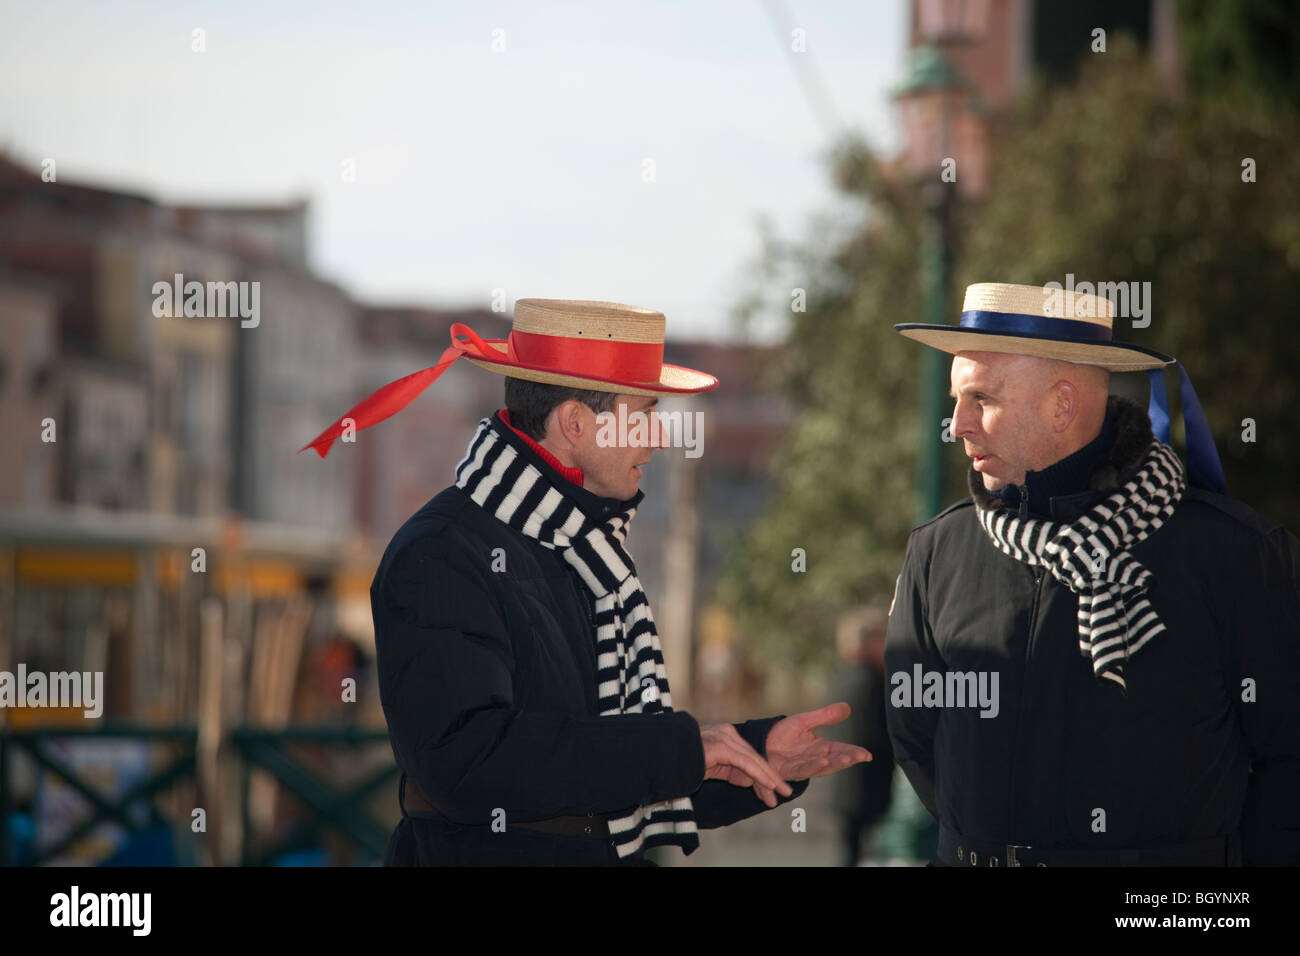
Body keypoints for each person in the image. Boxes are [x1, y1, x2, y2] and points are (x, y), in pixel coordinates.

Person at [301, 297, 871, 865]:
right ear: (575, 423)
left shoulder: (583, 547)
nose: (657, 439)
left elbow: (606, 781)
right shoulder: (441, 552)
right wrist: (681, 750)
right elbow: (469, 766)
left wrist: (756, 753)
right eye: (644, 414)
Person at [885, 281, 1300, 866]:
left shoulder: (1238, 553)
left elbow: (1287, 764)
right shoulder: (939, 550)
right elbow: (915, 739)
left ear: (1062, 404)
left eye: (981, 399)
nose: (957, 425)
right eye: (956, 400)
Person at [824, 607, 895, 866]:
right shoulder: (870, 681)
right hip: (866, 787)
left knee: (851, 853)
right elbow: (878, 734)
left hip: (843, 786)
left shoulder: (841, 676)